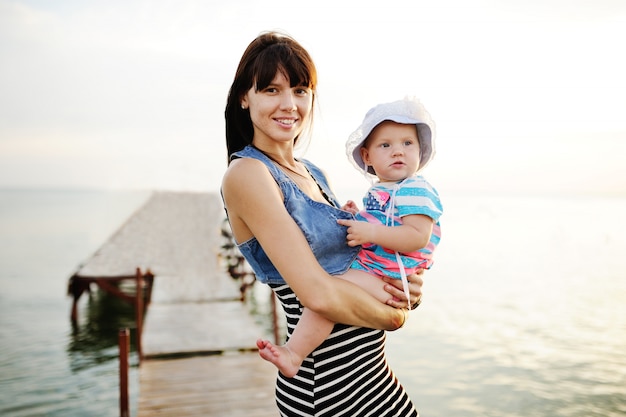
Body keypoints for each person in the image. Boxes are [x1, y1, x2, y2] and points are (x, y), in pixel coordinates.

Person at [221, 31, 424, 417]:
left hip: (377, 382)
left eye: (300, 90)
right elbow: (317, 294)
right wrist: (395, 314)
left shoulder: (313, 173)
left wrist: (404, 284)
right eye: (270, 89)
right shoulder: (247, 174)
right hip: (328, 393)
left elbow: (358, 262)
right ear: (244, 98)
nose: (289, 104)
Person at [257, 97, 443, 379]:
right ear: (367, 157)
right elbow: (383, 225)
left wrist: (370, 231)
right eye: (386, 145)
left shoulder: (415, 188)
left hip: (386, 277)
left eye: (408, 143)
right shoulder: (385, 190)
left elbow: (417, 236)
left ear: (420, 150)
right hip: (377, 272)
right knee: (326, 299)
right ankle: (294, 354)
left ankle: (294, 353)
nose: (398, 152)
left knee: (328, 291)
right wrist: (359, 218)